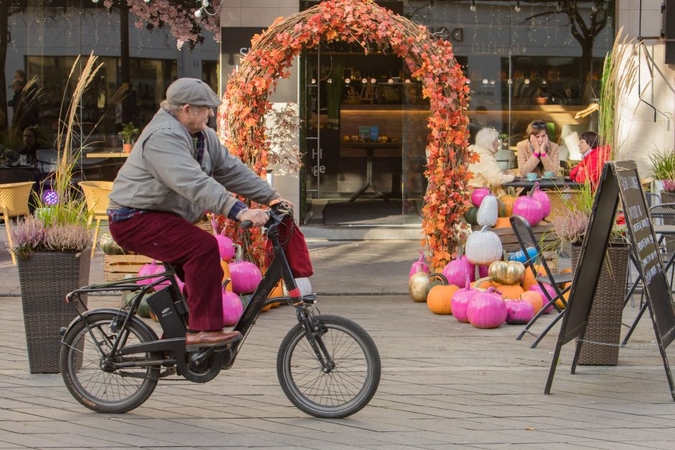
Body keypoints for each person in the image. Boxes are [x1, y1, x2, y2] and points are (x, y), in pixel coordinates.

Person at [107, 78, 284, 350]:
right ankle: (202, 331)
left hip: (159, 216)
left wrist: (271, 197)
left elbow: (232, 171)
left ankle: (178, 337)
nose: (211, 114)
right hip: (133, 218)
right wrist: (238, 211)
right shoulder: (162, 138)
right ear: (186, 109)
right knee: (202, 248)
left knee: (205, 266)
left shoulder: (203, 136)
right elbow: (193, 182)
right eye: (206, 108)